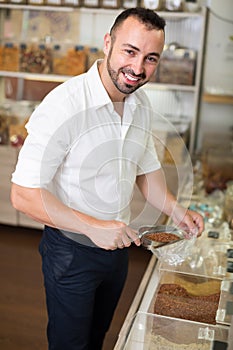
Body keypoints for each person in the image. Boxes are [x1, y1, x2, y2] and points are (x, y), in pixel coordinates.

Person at [11, 7, 204, 350]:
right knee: (70, 344)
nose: (138, 68)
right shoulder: (63, 105)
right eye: (130, 52)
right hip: (70, 251)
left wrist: (175, 210)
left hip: (118, 247)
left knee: (97, 338)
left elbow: (145, 172)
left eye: (150, 58)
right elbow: (23, 195)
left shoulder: (140, 105)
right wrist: (92, 226)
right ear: (108, 43)